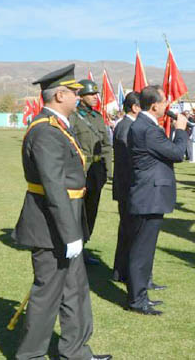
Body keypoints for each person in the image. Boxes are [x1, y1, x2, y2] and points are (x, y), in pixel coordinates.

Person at [12, 64, 111, 360]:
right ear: (59, 96)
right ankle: (30, 355)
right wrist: (70, 235)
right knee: (47, 295)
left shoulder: (57, 127)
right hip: (50, 227)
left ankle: (76, 351)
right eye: (74, 93)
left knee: (76, 291)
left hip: (66, 222)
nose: (79, 97)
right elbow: (54, 187)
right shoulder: (45, 131)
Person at [125, 85, 188, 315]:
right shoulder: (148, 129)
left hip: (149, 195)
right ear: (154, 105)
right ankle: (137, 300)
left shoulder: (144, 126)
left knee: (145, 249)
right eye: (164, 103)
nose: (166, 107)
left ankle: (142, 293)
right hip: (148, 196)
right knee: (141, 250)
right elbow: (177, 153)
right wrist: (180, 130)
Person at [69, 79, 113, 265]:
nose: (96, 97)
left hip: (96, 172)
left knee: (91, 211)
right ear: (81, 96)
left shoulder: (97, 117)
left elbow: (106, 145)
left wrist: (108, 172)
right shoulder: (72, 117)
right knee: (75, 212)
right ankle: (72, 250)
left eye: (96, 94)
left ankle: (83, 247)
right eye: (91, 94)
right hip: (80, 171)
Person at [112, 92, 140, 283]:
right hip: (127, 186)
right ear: (134, 107)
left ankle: (121, 272)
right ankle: (128, 273)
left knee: (127, 231)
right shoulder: (126, 127)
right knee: (130, 232)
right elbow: (128, 159)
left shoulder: (126, 125)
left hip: (127, 186)